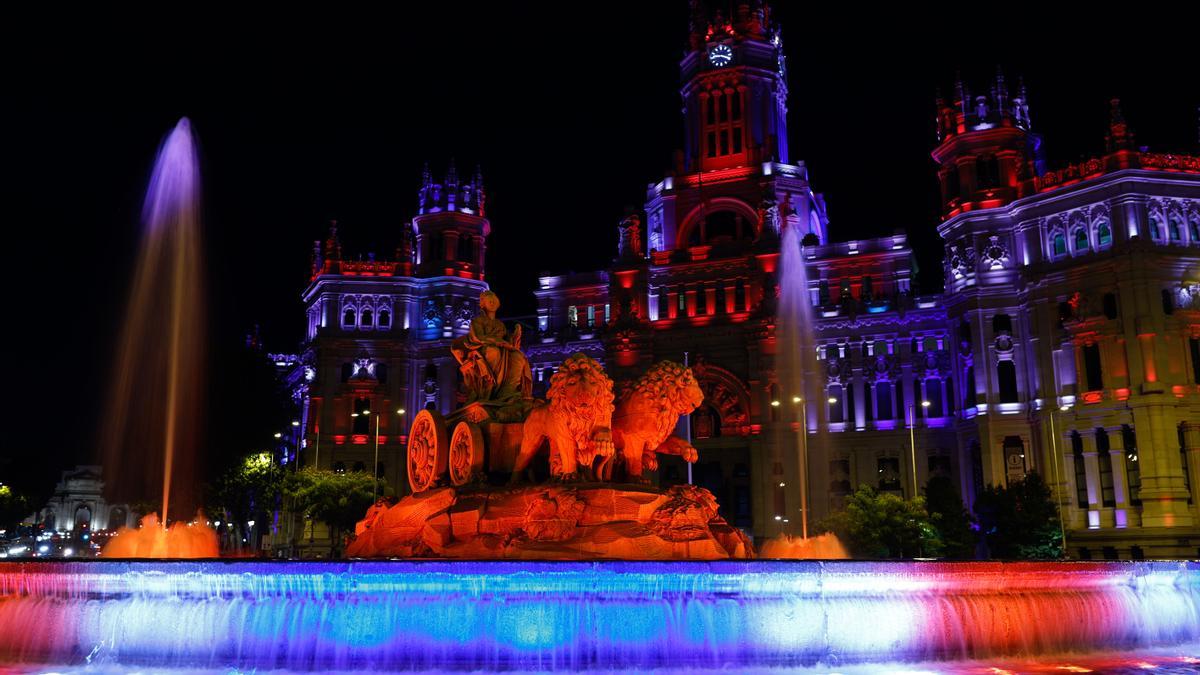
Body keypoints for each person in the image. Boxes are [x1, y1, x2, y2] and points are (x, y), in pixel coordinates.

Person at [451, 291, 532, 405]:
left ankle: (508, 390)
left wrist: (515, 336)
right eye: (489, 301)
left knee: (518, 356)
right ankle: (491, 388)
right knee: (493, 352)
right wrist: (498, 342)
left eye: (494, 300)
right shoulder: (477, 321)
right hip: (482, 350)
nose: (492, 303)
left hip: (502, 350)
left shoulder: (500, 324)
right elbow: (478, 338)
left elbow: (508, 342)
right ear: (483, 304)